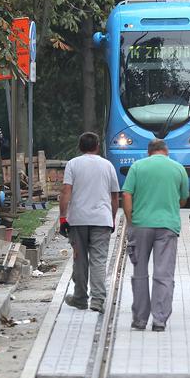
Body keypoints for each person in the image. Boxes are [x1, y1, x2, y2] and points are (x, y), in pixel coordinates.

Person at [121, 139, 188, 332]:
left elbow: (126, 195)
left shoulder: (137, 167)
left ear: (148, 152)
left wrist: (130, 219)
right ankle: (159, 320)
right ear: (166, 151)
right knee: (164, 273)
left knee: (140, 272)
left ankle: (140, 320)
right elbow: (183, 199)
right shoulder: (178, 168)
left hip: (140, 225)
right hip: (167, 226)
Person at [59, 131, 120, 313]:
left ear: (80, 147)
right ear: (98, 146)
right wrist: (113, 217)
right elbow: (115, 196)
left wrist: (63, 217)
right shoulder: (107, 165)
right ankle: (97, 300)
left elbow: (66, 191)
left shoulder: (73, 164)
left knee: (79, 260)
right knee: (99, 260)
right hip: (102, 220)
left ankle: (79, 298)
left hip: (78, 220)